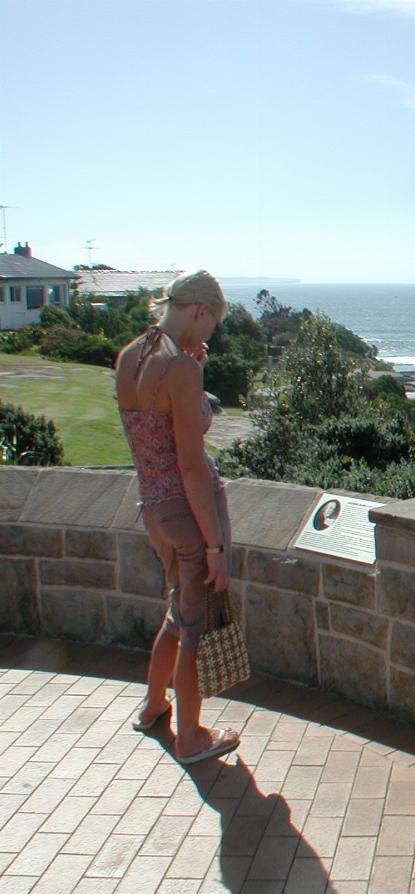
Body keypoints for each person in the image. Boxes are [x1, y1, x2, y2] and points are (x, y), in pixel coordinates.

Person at [116, 270, 240, 764]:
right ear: (200, 311)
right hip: (189, 515)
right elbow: (189, 464)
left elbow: (156, 429)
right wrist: (215, 547)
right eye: (212, 324)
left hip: (154, 508)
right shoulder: (183, 372)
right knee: (196, 629)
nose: (211, 335)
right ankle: (190, 738)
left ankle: (152, 706)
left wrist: (191, 364)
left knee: (177, 610)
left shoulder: (131, 356)